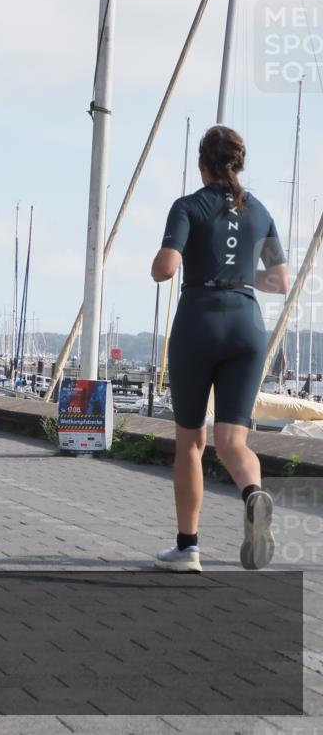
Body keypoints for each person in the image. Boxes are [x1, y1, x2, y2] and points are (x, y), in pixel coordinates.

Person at [150, 125, 289, 573]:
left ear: (202, 164)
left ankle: (188, 548)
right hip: (247, 324)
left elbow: (165, 270)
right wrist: (241, 273)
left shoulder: (188, 206)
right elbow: (280, 281)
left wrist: (167, 257)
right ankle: (253, 494)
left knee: (191, 441)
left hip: (200, 320)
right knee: (233, 440)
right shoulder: (260, 210)